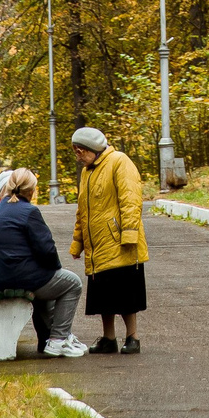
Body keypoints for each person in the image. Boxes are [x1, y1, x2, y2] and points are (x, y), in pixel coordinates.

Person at [0, 167, 86, 358]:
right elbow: (47, 249)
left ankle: (55, 337)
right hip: (20, 277)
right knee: (71, 283)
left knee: (49, 286)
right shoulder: (29, 211)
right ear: (31, 190)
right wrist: (55, 269)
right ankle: (58, 340)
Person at [69, 127, 148, 354]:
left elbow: (131, 200)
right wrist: (78, 243)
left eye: (80, 151)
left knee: (126, 294)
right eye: (76, 151)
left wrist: (129, 235)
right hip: (98, 245)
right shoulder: (87, 171)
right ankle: (108, 338)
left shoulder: (119, 162)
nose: (78, 156)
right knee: (103, 295)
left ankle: (132, 338)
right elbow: (82, 211)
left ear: (92, 149)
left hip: (120, 242)